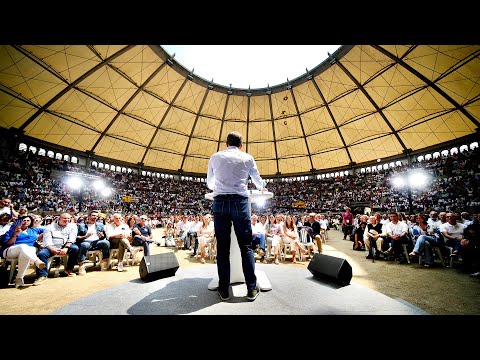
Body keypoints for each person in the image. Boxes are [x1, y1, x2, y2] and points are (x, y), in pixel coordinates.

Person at [206, 131, 265, 302]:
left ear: (226, 143)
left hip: (221, 202)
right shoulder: (247, 157)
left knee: (223, 248)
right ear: (241, 145)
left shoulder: (215, 157)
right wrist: (262, 186)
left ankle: (224, 289)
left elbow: (210, 183)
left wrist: (221, 183)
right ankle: (251, 289)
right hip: (240, 202)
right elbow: (257, 180)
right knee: (246, 246)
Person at [34, 212, 79, 285]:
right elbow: (47, 241)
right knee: (41, 254)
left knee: (75, 249)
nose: (67, 220)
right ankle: (42, 275)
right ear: (59, 219)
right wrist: (52, 249)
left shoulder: (72, 226)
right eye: (64, 218)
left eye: (68, 218)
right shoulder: (50, 227)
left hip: (65, 246)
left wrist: (66, 248)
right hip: (52, 246)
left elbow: (72, 238)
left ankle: (69, 269)